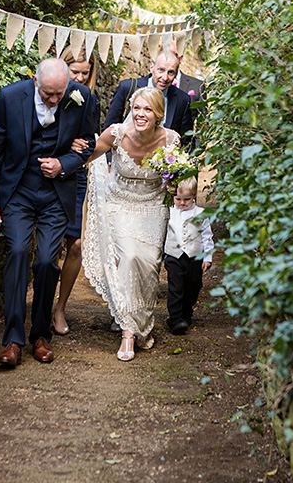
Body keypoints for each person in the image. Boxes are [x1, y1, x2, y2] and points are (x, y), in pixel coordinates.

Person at [0, 58, 96, 368]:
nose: (55, 100)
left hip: (56, 193)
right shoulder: (9, 97)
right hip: (18, 190)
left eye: (60, 94)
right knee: (17, 251)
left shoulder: (81, 98)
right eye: (48, 94)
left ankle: (41, 335)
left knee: (46, 261)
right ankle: (13, 341)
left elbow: (88, 146)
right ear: (35, 83)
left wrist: (63, 165)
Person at [82, 87, 179, 361]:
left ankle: (143, 326)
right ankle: (128, 331)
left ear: (158, 114)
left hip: (153, 207)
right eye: (136, 108)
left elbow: (174, 181)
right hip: (120, 204)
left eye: (147, 109)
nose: (140, 114)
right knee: (129, 257)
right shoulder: (116, 133)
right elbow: (88, 155)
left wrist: (175, 182)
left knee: (149, 267)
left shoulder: (171, 140)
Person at [52, 52, 99, 336]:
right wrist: (68, 142)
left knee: (76, 244)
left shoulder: (87, 97)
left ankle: (60, 308)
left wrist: (81, 147)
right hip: (47, 175)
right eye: (75, 71)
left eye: (85, 72)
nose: (80, 78)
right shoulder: (47, 90)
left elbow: (91, 142)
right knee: (48, 247)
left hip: (76, 177)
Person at [102, 50, 194, 147]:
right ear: (152, 67)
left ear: (176, 74)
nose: (165, 77)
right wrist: (109, 160)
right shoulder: (127, 88)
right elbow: (109, 129)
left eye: (170, 72)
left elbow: (185, 141)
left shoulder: (182, 99)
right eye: (161, 70)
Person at [163, 176, 214, 335]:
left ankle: (186, 312)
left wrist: (207, 256)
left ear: (193, 196)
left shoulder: (201, 213)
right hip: (174, 255)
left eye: (186, 199)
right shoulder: (169, 211)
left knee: (194, 285)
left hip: (194, 256)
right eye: (178, 199)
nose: (182, 203)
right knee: (175, 287)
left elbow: (207, 235)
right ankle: (175, 319)